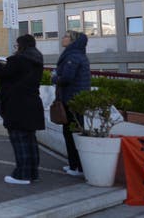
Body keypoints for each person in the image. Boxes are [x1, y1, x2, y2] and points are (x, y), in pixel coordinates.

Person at [0, 34, 45, 185]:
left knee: (19, 140)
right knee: (30, 140)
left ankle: (22, 175)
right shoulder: (37, 59)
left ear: (22, 45)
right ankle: (33, 173)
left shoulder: (19, 59)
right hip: (32, 103)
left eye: (16, 45)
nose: (16, 48)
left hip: (17, 105)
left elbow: (4, 73)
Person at [51, 30, 91, 177]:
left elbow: (67, 77)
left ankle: (78, 167)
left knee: (73, 133)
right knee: (70, 132)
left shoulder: (73, 56)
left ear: (72, 40)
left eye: (66, 36)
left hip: (72, 100)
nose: (63, 38)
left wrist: (54, 77)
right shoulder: (77, 54)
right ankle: (74, 165)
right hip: (74, 99)